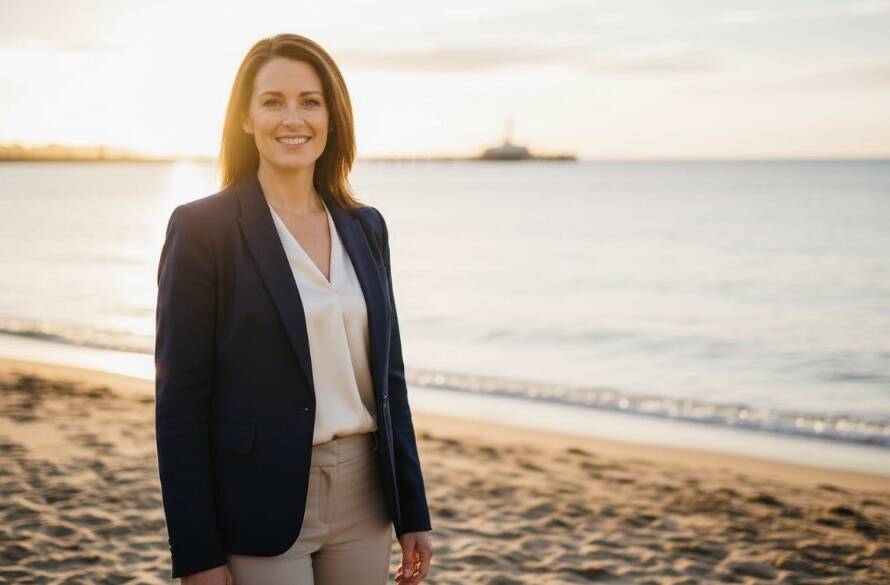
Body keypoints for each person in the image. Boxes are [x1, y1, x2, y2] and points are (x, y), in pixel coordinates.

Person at [154, 33, 433, 585]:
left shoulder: (365, 226)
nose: (293, 118)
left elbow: (389, 380)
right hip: (258, 496)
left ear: (332, 117)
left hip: (365, 496)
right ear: (245, 119)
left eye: (310, 101)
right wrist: (197, 554)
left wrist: (412, 510)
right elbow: (180, 403)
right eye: (272, 101)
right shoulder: (202, 228)